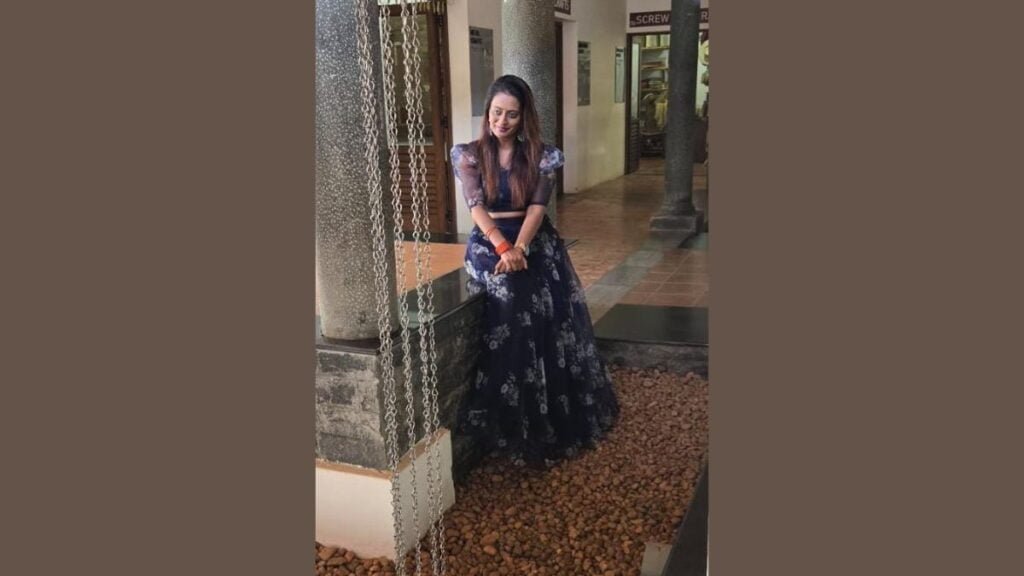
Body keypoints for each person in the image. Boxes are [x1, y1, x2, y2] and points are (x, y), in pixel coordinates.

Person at [450, 75, 619, 467]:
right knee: (511, 295)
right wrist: (503, 247)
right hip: (489, 241)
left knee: (543, 298)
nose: (502, 121)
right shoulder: (469, 154)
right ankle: (509, 415)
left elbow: (538, 209)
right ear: (487, 112)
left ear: (524, 116)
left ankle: (544, 410)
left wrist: (522, 247)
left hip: (532, 239)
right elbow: (475, 207)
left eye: (511, 114)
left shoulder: (543, 157)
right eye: (496, 112)